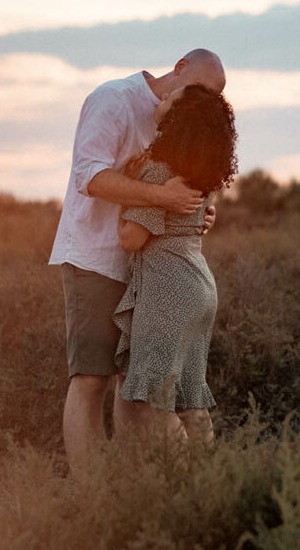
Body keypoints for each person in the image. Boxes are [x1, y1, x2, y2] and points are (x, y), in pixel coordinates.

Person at [48, 48, 226, 474]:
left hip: (151, 275)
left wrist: (198, 212)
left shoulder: (180, 122)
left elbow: (182, 185)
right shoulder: (113, 100)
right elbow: (87, 175)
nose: (201, 100)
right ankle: (96, 501)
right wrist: (162, 199)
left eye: (211, 96)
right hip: (97, 259)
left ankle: (143, 491)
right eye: (199, 88)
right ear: (180, 67)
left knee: (140, 391)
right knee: (91, 380)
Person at [113, 82, 238, 448]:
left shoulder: (159, 174)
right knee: (190, 400)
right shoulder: (202, 175)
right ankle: (206, 483)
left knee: (158, 402)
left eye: (170, 99)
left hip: (169, 290)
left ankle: (179, 489)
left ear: (179, 118)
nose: (162, 99)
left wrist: (124, 203)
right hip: (198, 286)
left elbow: (130, 239)